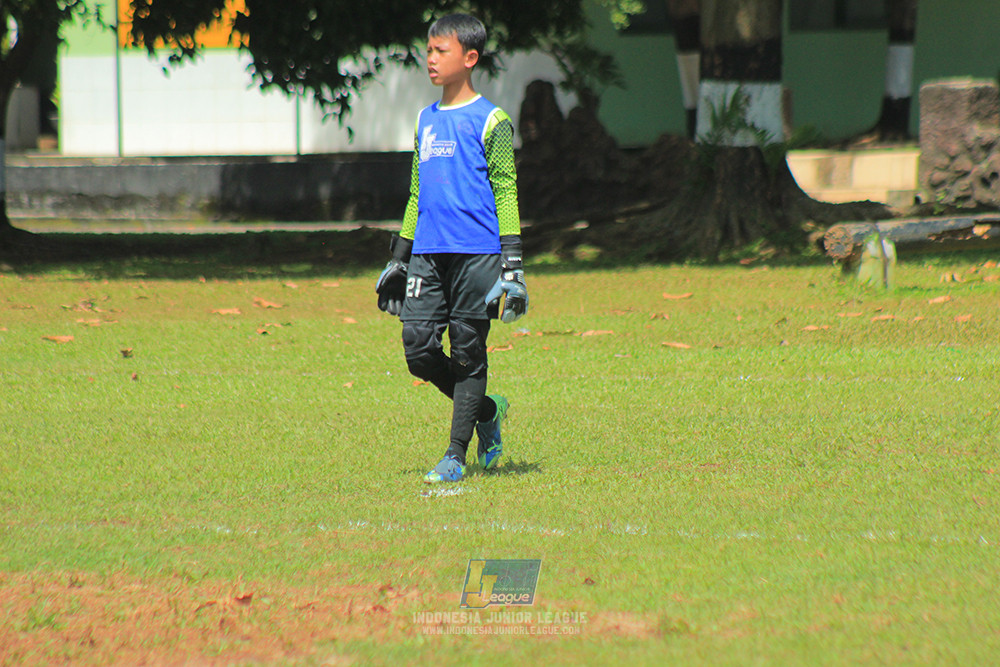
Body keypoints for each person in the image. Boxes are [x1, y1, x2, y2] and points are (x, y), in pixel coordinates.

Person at [375, 13, 528, 484]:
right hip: (427, 253)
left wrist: (513, 266)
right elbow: (417, 192)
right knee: (418, 350)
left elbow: (506, 189)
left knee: (466, 354)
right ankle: (486, 409)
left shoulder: (492, 121)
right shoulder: (425, 119)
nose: (431, 58)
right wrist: (398, 257)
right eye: (429, 49)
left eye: (441, 50)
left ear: (470, 57)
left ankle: (455, 455)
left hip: (477, 256)